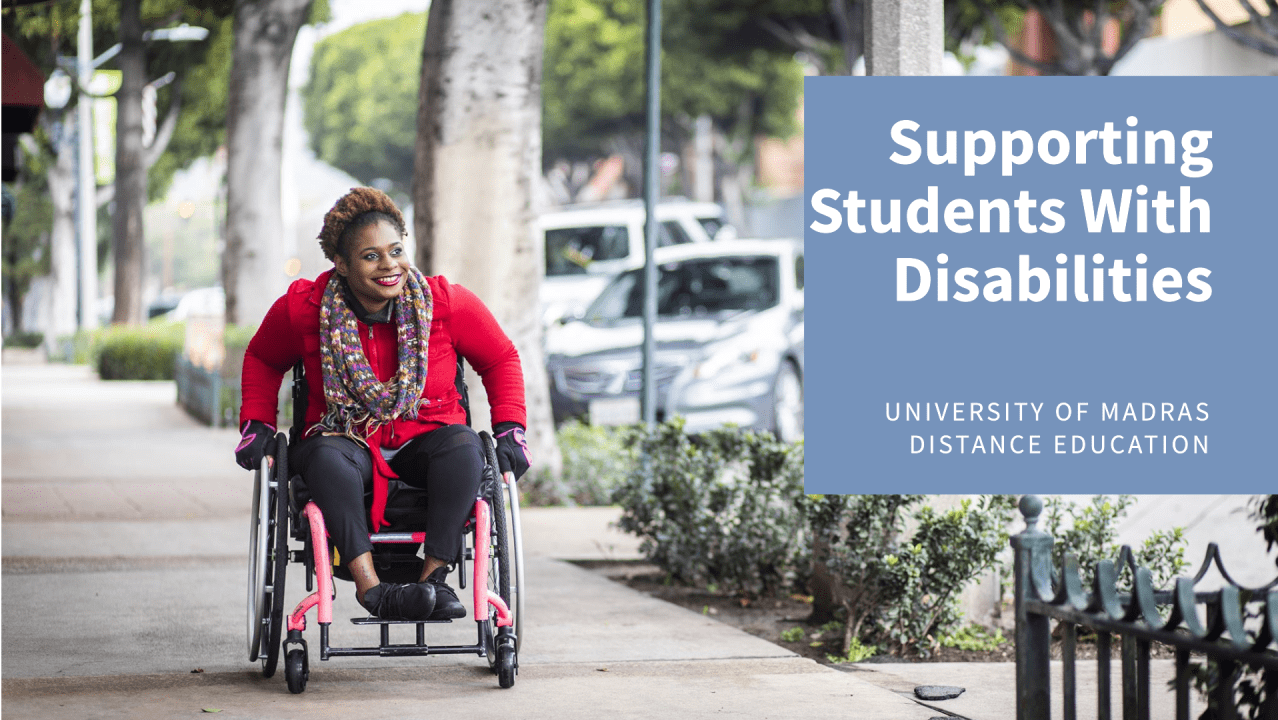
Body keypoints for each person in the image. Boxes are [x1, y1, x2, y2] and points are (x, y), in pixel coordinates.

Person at [234, 187, 531, 622]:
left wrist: (510, 428)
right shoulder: (305, 308)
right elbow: (261, 357)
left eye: (395, 250)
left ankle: (433, 581)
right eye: (371, 256)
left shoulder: (444, 304)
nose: (389, 264)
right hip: (345, 440)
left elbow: (501, 358)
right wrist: (256, 424)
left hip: (426, 439)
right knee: (322, 456)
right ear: (341, 263)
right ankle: (372, 590)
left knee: (467, 447)